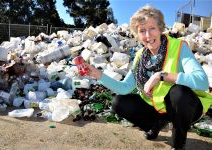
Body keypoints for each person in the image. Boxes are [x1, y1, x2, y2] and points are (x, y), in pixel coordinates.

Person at [84, 5, 212, 150]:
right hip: (159, 108)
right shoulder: (140, 57)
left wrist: (161, 75)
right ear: (138, 35)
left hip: (186, 107)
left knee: (179, 93)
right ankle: (156, 124)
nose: (148, 35)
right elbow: (125, 88)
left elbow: (202, 82)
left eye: (152, 28)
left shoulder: (178, 47)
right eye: (142, 31)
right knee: (118, 102)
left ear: (160, 28)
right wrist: (98, 75)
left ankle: (178, 144)